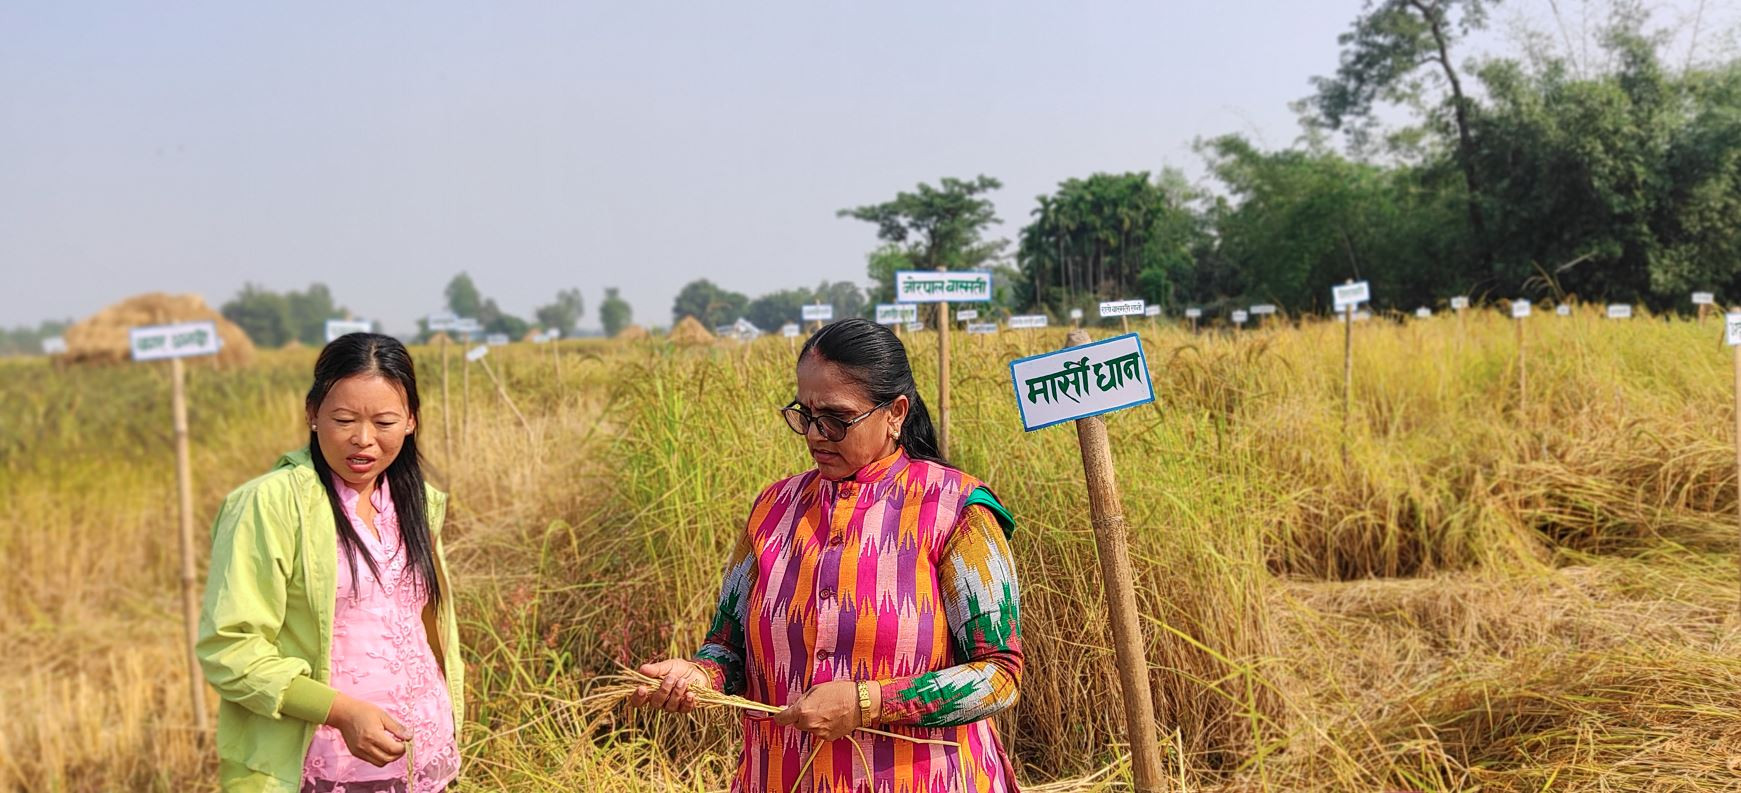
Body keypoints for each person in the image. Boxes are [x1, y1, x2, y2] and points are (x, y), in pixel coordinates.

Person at [633, 318, 1025, 792]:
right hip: (782, 778)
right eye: (806, 415)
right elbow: (728, 648)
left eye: (837, 419)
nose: (816, 435)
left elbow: (999, 676)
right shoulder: (772, 510)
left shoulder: (957, 510)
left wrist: (868, 702)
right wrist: (698, 674)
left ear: (895, 413)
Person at [198, 333, 462, 793]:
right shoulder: (268, 505)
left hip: (426, 762)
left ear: (411, 421)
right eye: (343, 419)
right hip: (324, 768)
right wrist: (340, 712)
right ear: (312, 414)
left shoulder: (416, 504)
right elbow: (229, 648)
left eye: (384, 421)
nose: (363, 440)